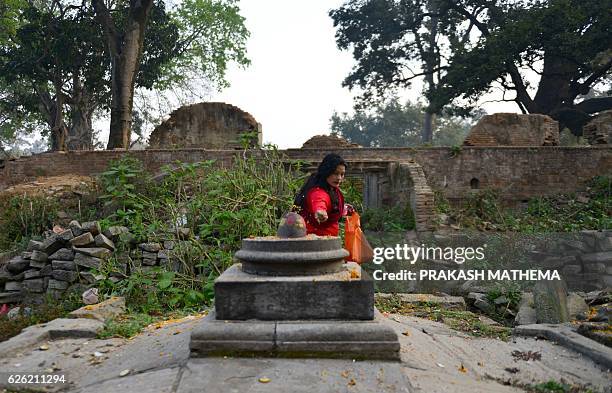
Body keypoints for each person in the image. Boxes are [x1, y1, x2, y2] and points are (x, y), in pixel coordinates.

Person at [294, 153, 353, 236]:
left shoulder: (331, 189)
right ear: (326, 172)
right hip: (315, 243)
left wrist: (343, 208)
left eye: (342, 174)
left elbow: (331, 204)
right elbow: (319, 201)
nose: (339, 178)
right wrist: (320, 211)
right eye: (335, 173)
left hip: (329, 241)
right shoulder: (318, 192)